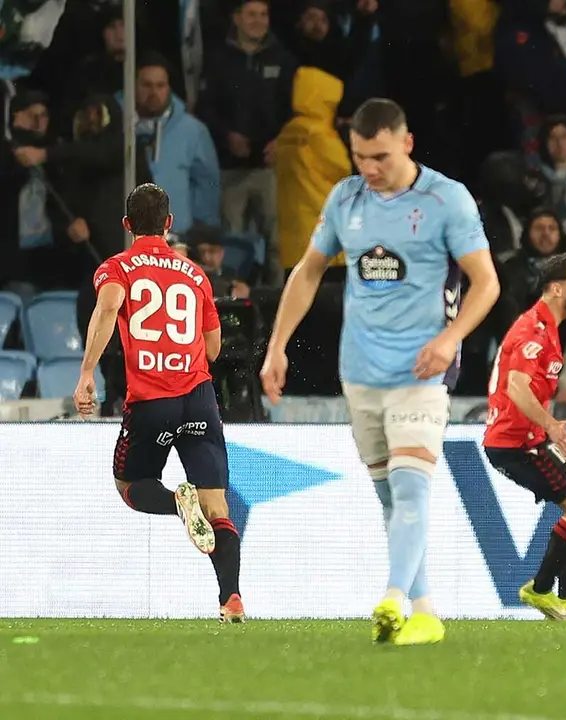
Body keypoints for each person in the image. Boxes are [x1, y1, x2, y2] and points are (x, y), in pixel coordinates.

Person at [260, 98, 501, 645]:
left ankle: (392, 598)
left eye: (381, 157)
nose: (369, 168)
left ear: (407, 143)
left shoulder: (447, 199)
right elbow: (307, 271)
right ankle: (425, 610)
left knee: (412, 490)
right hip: (360, 374)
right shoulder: (345, 199)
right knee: (390, 499)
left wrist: (450, 338)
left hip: (421, 371)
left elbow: (486, 282)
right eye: (360, 156)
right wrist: (277, 346)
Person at [72, 183, 244, 623]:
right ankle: (232, 600)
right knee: (218, 507)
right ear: (169, 224)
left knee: (130, 486)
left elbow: (108, 309)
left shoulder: (117, 268)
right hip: (200, 400)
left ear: (128, 225)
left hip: (152, 402)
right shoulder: (195, 274)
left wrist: (88, 371)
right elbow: (213, 349)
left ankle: (175, 503)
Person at [484, 253, 566, 621]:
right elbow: (516, 387)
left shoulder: (545, 327)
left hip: (529, 439)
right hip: (514, 445)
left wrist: (548, 431)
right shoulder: (532, 331)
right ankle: (540, 591)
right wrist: (552, 425)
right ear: (556, 288)